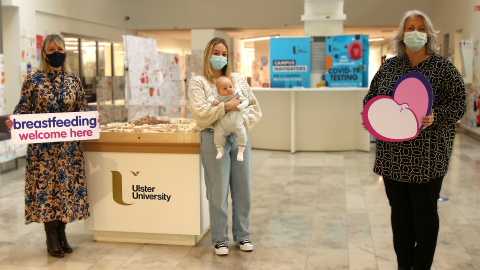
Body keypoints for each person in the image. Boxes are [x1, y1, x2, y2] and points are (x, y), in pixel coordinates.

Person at [362, 10, 466, 270]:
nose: (415, 33)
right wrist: (371, 117)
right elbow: (371, 99)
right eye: (410, 27)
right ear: (401, 34)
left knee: (424, 214)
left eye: (421, 28)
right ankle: (404, 265)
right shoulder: (389, 67)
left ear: (429, 34)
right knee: (400, 213)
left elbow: (458, 105)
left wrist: (436, 116)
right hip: (393, 158)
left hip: (428, 157)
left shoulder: (443, 68)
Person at [5, 35, 90, 258]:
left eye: (59, 49)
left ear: (65, 52)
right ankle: (51, 236)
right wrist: (16, 120)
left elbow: (82, 108)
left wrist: (89, 119)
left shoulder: (74, 81)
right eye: (51, 49)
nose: (55, 53)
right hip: (42, 151)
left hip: (68, 150)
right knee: (46, 192)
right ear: (44, 54)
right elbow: (23, 108)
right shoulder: (33, 80)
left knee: (64, 192)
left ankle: (62, 233)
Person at [189, 37, 262, 255]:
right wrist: (227, 107)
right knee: (218, 190)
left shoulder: (237, 79)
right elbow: (201, 115)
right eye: (216, 52)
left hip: (239, 139)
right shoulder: (198, 83)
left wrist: (241, 122)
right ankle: (220, 239)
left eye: (224, 54)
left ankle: (243, 236)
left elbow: (255, 108)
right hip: (213, 140)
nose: (220, 57)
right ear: (207, 54)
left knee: (243, 189)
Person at [207, 76, 249, 161]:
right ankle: (220, 150)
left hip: (237, 122)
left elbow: (246, 101)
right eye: (225, 88)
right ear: (218, 91)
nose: (229, 89)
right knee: (218, 135)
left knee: (242, 134)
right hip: (222, 125)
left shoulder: (237, 94)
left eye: (230, 87)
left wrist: (241, 106)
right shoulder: (218, 97)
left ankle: (240, 151)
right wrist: (214, 101)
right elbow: (209, 99)